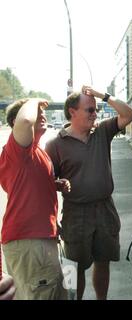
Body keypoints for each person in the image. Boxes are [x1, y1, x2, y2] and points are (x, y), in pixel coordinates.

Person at [45, 86, 132, 300]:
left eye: (96, 109)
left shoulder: (102, 131)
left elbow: (129, 114)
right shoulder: (55, 144)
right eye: (90, 110)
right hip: (75, 213)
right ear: (72, 112)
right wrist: (53, 218)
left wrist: (101, 95)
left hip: (105, 209)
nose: (95, 114)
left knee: (102, 261)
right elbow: (47, 186)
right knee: (73, 266)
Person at [0, 98, 70, 300]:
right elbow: (25, 123)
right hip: (30, 242)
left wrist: (53, 185)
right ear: (15, 123)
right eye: (36, 113)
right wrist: (33, 100)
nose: (42, 115)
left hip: (41, 239)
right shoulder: (17, 150)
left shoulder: (37, 151)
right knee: (41, 294)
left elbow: (24, 186)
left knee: (54, 292)